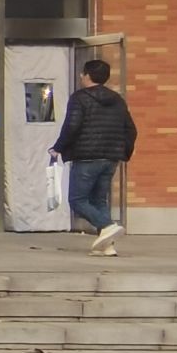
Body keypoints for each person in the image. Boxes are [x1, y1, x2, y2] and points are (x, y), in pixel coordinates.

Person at [51, 59, 139, 257]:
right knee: (99, 201)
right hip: (110, 158)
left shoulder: (79, 98)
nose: (81, 77)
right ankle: (107, 246)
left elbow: (72, 126)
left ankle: (107, 226)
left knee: (77, 200)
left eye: (83, 74)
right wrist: (123, 152)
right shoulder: (117, 100)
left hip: (87, 157)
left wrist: (58, 148)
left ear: (88, 75)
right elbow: (131, 129)